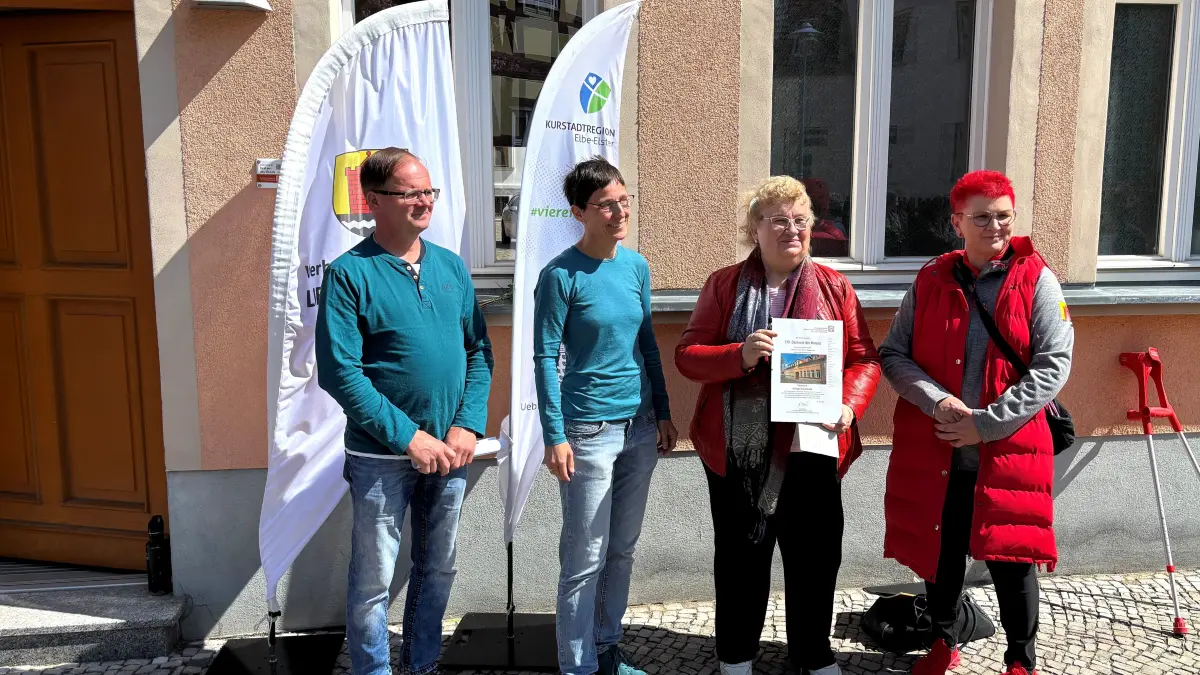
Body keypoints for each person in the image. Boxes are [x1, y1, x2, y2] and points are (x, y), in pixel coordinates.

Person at [674, 175, 881, 675]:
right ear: (754, 229)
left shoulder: (834, 286)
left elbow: (864, 359)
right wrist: (738, 354)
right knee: (742, 559)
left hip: (813, 445)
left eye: (800, 219)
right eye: (778, 220)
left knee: (814, 558)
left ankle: (813, 654)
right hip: (738, 451)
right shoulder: (724, 284)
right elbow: (688, 357)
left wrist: (850, 406)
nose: (792, 229)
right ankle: (737, 655)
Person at [879, 170, 1073, 675]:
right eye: (982, 217)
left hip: (1007, 449)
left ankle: (1020, 660)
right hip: (938, 446)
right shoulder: (930, 278)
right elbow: (894, 354)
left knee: (1012, 560)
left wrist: (985, 424)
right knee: (939, 556)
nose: (995, 226)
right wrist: (938, 402)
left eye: (1003, 216)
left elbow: (1053, 364)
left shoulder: (1039, 279)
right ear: (957, 222)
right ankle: (944, 641)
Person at [315, 147, 493, 675]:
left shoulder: (451, 266)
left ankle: (422, 666)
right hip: (381, 459)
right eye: (410, 192)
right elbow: (340, 373)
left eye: (428, 191)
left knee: (438, 570)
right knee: (372, 582)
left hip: (450, 453)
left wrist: (466, 423)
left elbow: (478, 351)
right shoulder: (349, 275)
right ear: (373, 202)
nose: (424, 201)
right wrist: (408, 437)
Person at [533, 156, 677, 675]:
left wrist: (662, 410)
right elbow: (545, 357)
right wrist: (554, 434)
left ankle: (607, 647)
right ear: (579, 212)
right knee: (583, 559)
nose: (619, 212)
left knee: (621, 550)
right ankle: (577, 665)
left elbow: (648, 347)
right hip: (587, 430)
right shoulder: (560, 276)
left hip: (639, 427)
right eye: (605, 205)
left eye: (623, 200)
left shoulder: (635, 267)